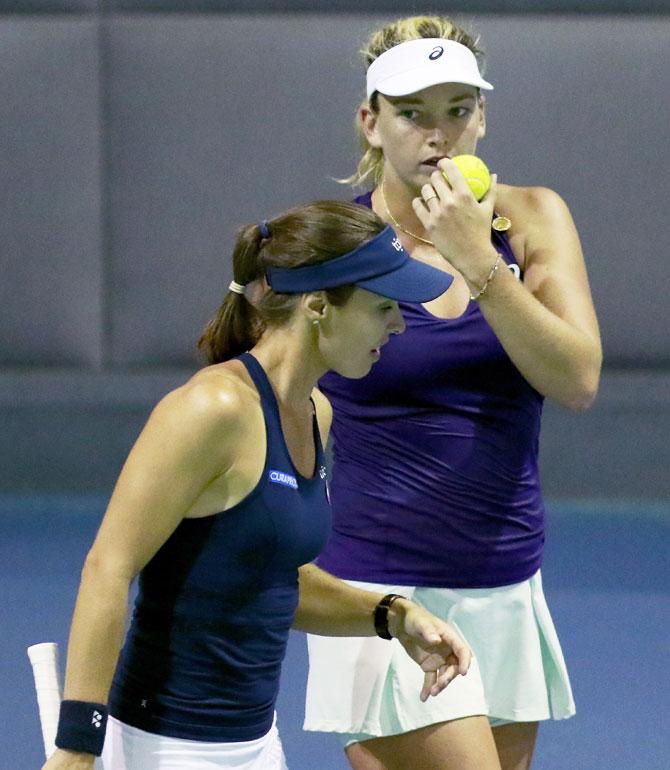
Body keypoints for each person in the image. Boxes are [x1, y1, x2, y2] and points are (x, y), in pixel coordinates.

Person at [41, 200, 471, 770]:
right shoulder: (210, 410)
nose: (398, 324)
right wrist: (75, 749)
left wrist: (391, 614)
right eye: (384, 306)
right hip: (162, 748)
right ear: (319, 305)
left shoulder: (316, 412)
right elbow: (108, 567)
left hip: (256, 744)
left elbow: (270, 576)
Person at [304, 16, 603, 770]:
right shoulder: (336, 245)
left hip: (504, 578)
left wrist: (481, 265)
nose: (439, 134)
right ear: (371, 124)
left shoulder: (534, 218)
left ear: (482, 116)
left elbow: (576, 379)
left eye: (458, 110)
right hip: (381, 582)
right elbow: (284, 396)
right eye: (413, 114)